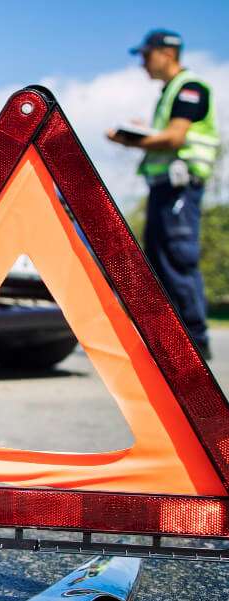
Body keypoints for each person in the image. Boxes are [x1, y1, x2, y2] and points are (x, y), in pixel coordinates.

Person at [108, 29, 219, 360]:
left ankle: (195, 344)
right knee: (158, 261)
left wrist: (131, 140)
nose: (143, 63)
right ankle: (170, 341)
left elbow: (174, 138)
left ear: (167, 54)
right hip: (164, 189)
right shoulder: (170, 92)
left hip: (179, 188)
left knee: (177, 259)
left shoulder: (190, 88)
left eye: (145, 55)